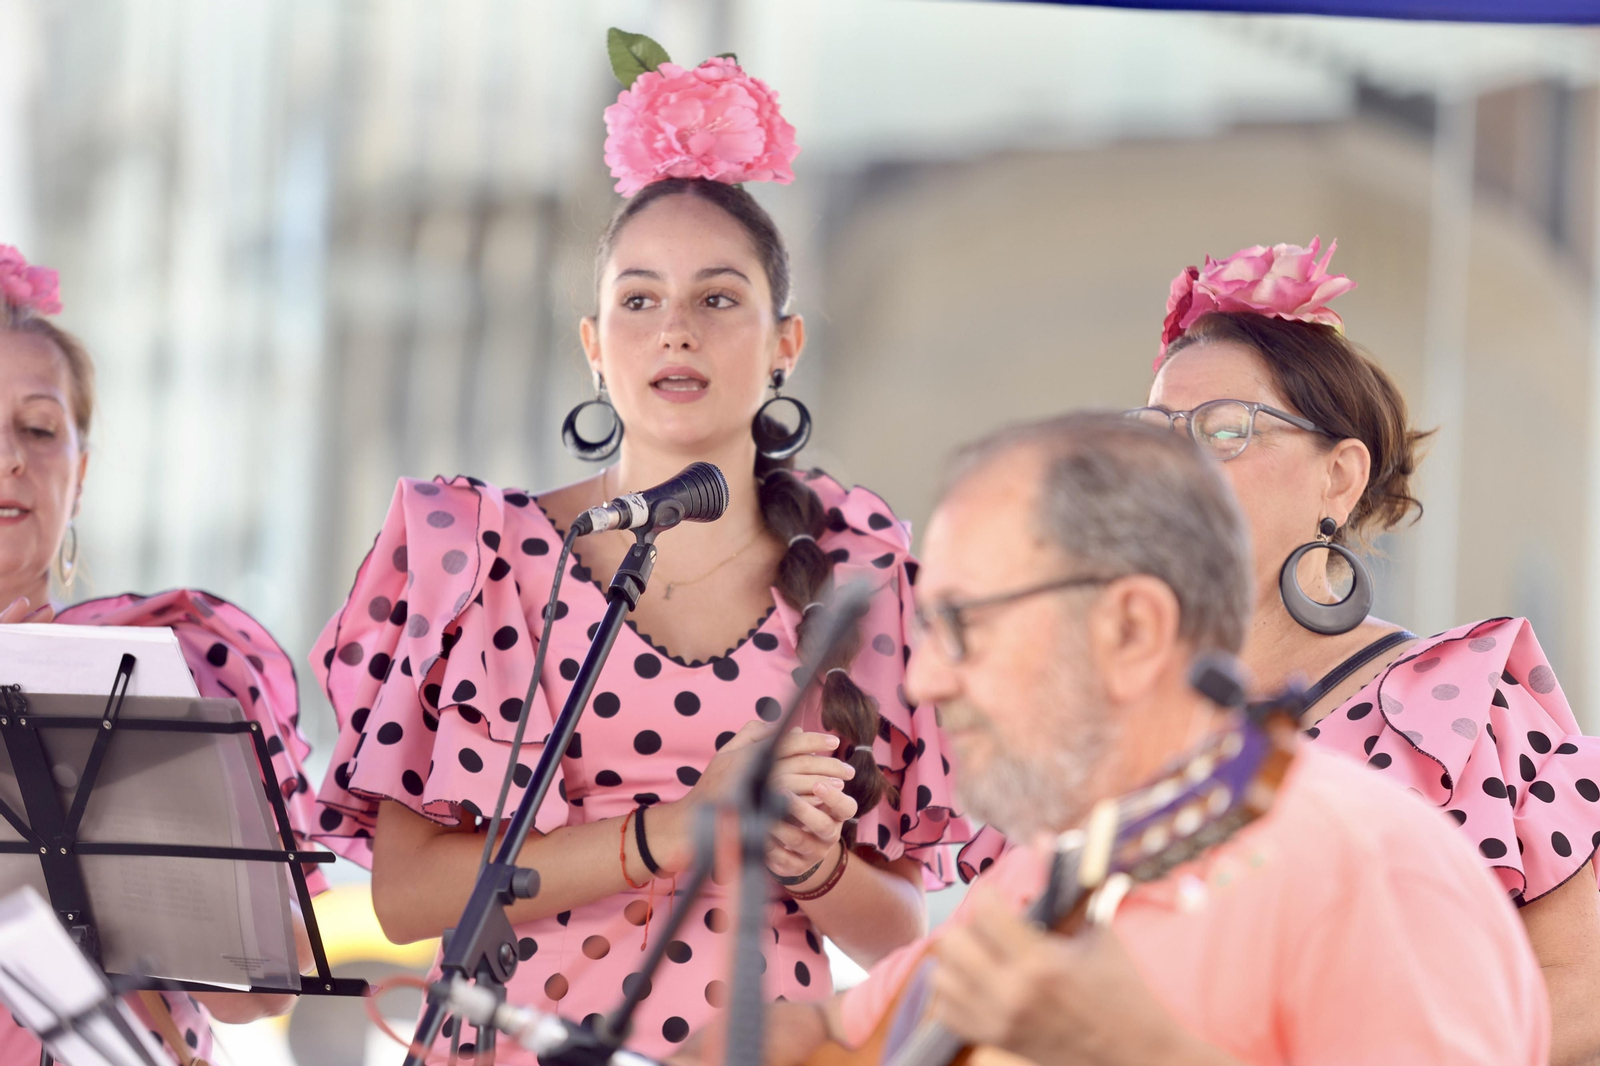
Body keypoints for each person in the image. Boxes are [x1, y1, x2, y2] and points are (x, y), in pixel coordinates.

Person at [308, 36, 967, 1062]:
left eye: (717, 298)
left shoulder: (863, 575)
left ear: (784, 342)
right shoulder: (484, 558)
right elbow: (407, 896)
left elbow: (897, 930)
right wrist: (682, 827)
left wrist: (815, 863)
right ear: (592, 343)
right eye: (639, 300)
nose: (675, 333)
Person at [750, 413, 1548, 1066]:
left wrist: (1134, 1050)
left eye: (963, 626)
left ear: (1132, 629)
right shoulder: (1052, 874)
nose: (924, 684)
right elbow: (833, 1035)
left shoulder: (1370, 869)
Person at [1118, 238, 1600, 1064]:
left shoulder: (1459, 714)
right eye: (1157, 431)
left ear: (1338, 480)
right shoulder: (1115, 725)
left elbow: (1584, 994)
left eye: (1225, 430)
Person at [0, 244, 319, 1064]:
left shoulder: (165, 663)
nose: (10, 458)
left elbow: (263, 986)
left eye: (39, 429)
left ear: (82, 474)